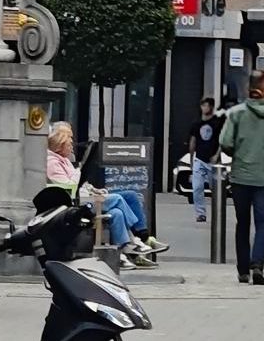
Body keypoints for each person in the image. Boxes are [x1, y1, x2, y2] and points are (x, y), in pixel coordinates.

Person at [44, 123, 160, 266]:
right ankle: (138, 238)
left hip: (85, 197)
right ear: (60, 144)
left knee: (117, 212)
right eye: (69, 142)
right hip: (75, 204)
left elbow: (81, 185)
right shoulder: (52, 162)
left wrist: (94, 189)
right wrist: (80, 171)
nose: (72, 145)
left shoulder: (64, 161)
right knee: (117, 199)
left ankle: (124, 250)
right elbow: (70, 187)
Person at [219, 75, 264, 285]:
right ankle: (257, 265)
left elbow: (225, 142)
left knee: (242, 224)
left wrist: (240, 152)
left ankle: (243, 271)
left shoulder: (236, 114)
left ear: (248, 87)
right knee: (263, 225)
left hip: (241, 176)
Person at [188, 98, 221, 222]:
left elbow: (222, 140)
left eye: (207, 106)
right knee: (197, 188)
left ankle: (218, 212)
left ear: (211, 107)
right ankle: (200, 213)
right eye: (203, 106)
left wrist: (217, 155)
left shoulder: (217, 122)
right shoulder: (196, 123)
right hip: (199, 159)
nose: (205, 108)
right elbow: (193, 141)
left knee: (216, 189)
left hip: (213, 160)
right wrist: (192, 160)